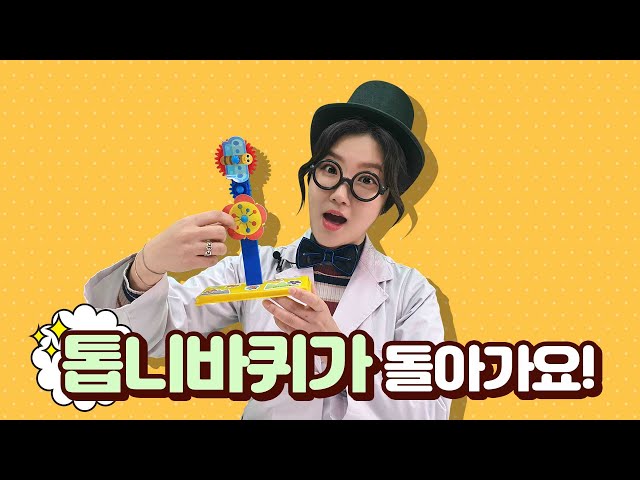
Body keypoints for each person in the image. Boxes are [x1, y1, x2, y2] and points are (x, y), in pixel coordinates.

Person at [84, 80, 451, 420]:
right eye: (330, 168)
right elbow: (150, 338)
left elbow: (430, 409)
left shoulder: (411, 293)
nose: (340, 193)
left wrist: (339, 354)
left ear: (386, 201)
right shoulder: (252, 271)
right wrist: (147, 266)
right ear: (310, 175)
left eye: (367, 180)